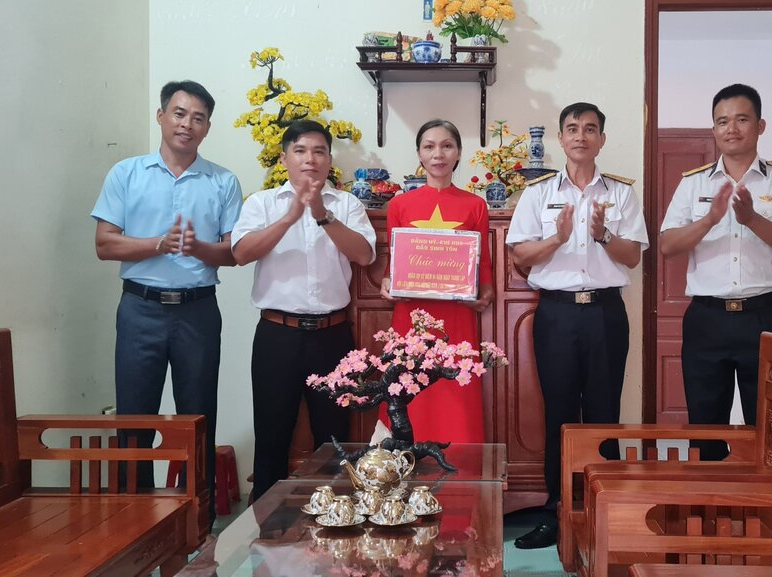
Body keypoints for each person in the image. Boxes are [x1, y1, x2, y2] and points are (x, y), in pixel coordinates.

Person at [505, 102, 649, 549]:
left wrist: (604, 234)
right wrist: (557, 239)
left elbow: (633, 257)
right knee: (561, 414)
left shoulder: (621, 193)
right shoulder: (539, 192)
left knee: (604, 412)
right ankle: (557, 511)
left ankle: (601, 509)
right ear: (561, 139)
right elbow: (519, 257)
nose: (581, 136)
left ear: (602, 139)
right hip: (557, 313)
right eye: (572, 129)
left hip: (606, 311)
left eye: (590, 129)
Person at [92, 80, 240, 506]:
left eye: (198, 118)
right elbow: (105, 244)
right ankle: (131, 519)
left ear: (208, 127)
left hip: (197, 312)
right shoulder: (126, 173)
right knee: (133, 417)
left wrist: (199, 248)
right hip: (140, 309)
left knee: (197, 418)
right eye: (179, 113)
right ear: (161, 116)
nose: (186, 124)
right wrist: (156, 243)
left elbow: (231, 252)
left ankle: (199, 521)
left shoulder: (222, 181)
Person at [659, 84, 772, 461]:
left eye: (741, 119)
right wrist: (712, 218)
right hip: (707, 318)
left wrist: (751, 218)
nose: (732, 128)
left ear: (760, 126)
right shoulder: (693, 182)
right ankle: (708, 513)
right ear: (714, 130)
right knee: (705, 426)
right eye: (723, 121)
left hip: (764, 317)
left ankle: (763, 512)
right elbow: (667, 245)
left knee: (771, 426)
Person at [231, 120, 376, 501]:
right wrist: (289, 217)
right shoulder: (262, 203)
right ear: (284, 158)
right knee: (272, 432)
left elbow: (363, 255)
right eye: (300, 150)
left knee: (334, 441)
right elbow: (241, 254)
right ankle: (265, 528)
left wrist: (320, 214)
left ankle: (334, 526)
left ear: (329, 159)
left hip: (333, 335)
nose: (310, 159)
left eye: (318, 151)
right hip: (277, 334)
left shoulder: (346, 204)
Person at [378, 119, 495, 444]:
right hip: (410, 320)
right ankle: (398, 481)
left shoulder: (475, 205)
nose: (438, 153)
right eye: (429, 146)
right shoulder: (400, 205)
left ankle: (463, 487)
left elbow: (483, 266)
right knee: (408, 401)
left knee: (456, 400)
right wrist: (388, 283)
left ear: (458, 153)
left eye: (447, 145)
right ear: (419, 153)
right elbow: (393, 264)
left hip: (456, 321)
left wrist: (483, 292)